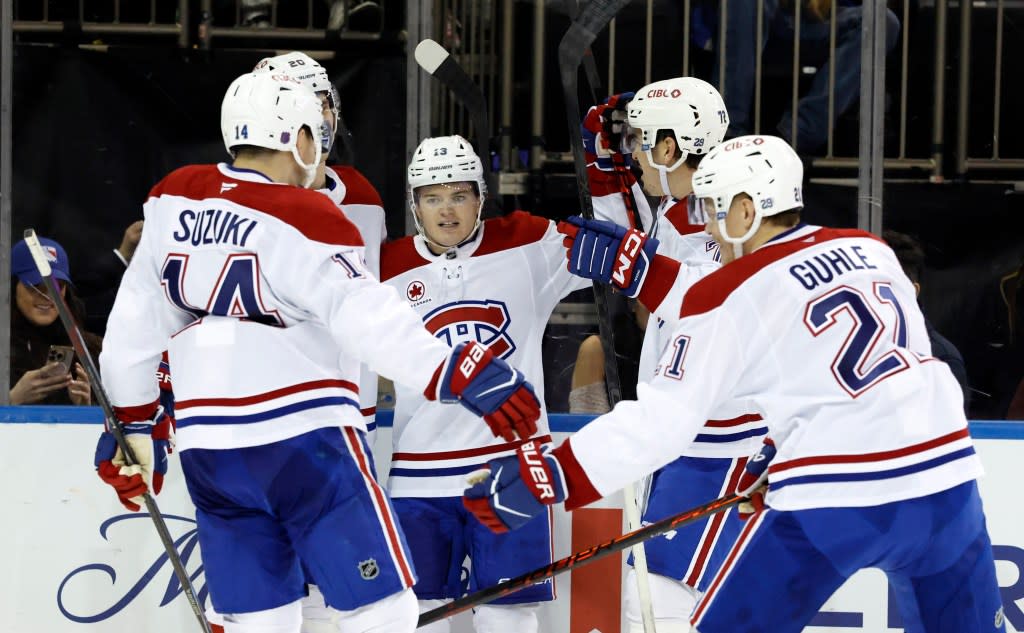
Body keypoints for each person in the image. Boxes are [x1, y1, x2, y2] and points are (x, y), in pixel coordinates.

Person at [463, 135, 1004, 633]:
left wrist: (549, 476)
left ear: (747, 210)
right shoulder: (872, 250)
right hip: (947, 487)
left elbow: (662, 425)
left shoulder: (725, 292)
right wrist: (781, 455)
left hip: (835, 504)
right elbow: (875, 376)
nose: (709, 228)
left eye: (714, 210)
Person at [94, 71, 542, 633]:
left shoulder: (174, 196)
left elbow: (133, 327)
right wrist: (455, 369)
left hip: (210, 449)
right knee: (384, 607)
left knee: (260, 620)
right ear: (296, 139)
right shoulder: (308, 213)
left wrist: (135, 421)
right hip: (304, 442)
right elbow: (366, 320)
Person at [379, 133, 650, 633]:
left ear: (481, 196)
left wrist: (605, 169)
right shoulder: (385, 268)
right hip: (417, 475)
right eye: (432, 198)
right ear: (414, 203)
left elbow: (615, 240)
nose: (446, 211)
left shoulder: (526, 243)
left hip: (511, 473)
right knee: (415, 618)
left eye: (459, 195)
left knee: (510, 617)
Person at [563, 77, 768, 632]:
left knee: (662, 600)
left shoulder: (714, 212)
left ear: (670, 148)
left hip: (725, 442)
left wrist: (642, 269)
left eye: (639, 141)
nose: (633, 152)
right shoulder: (684, 207)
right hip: (692, 436)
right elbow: (634, 242)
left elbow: (713, 297)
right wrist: (601, 161)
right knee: (653, 600)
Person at [251, 49, 389, 633]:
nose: (319, 115)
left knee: (350, 589)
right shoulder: (229, 192)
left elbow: (367, 309)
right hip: (259, 415)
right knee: (272, 585)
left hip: (340, 416)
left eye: (323, 101)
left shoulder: (360, 196)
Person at [707, 0, 900, 153]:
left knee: (883, 19)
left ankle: (795, 135)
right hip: (765, 19)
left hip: (820, 22)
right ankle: (727, 135)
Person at [883, 230, 970, 410]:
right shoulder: (842, 344)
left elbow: (954, 433)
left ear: (913, 291)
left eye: (884, 288)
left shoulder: (941, 358)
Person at [9, 235, 98, 406]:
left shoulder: (88, 349)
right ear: (12, 287)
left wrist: (85, 408)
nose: (47, 296)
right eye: (35, 286)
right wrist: (11, 399)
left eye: (57, 286)